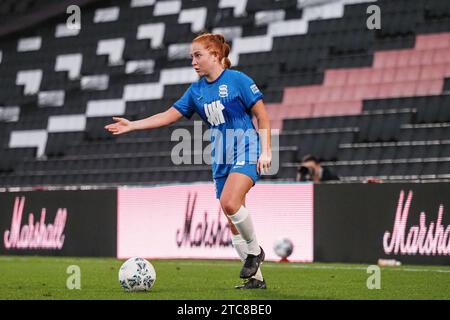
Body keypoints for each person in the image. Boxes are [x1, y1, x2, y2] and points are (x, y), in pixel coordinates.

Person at [105, 33, 272, 289]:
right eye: (191, 57)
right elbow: (168, 116)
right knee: (232, 223)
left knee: (230, 202)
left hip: (247, 149)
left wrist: (267, 151)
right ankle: (255, 279)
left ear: (215, 55)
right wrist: (133, 125)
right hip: (220, 158)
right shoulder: (196, 91)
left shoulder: (237, 80)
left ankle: (255, 252)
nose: (193, 61)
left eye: (198, 55)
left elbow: (262, 115)